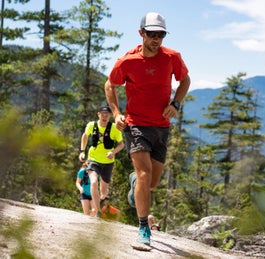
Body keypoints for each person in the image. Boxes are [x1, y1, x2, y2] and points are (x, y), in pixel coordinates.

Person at [104, 12, 190, 246]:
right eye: (152, 34)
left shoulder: (172, 57)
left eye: (160, 34)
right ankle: (144, 228)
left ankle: (136, 184)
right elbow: (110, 85)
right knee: (144, 174)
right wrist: (117, 114)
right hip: (136, 124)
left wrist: (176, 103)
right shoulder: (127, 61)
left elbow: (185, 80)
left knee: (150, 183)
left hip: (161, 126)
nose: (156, 39)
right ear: (141, 33)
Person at [79, 105, 125, 217]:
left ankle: (99, 203)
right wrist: (82, 151)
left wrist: (113, 152)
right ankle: (97, 210)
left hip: (108, 162)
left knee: (104, 192)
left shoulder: (114, 128)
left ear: (109, 116)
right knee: (93, 182)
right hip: (93, 159)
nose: (104, 117)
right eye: (102, 114)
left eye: (107, 115)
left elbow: (121, 145)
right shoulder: (91, 125)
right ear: (98, 115)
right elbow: (85, 136)